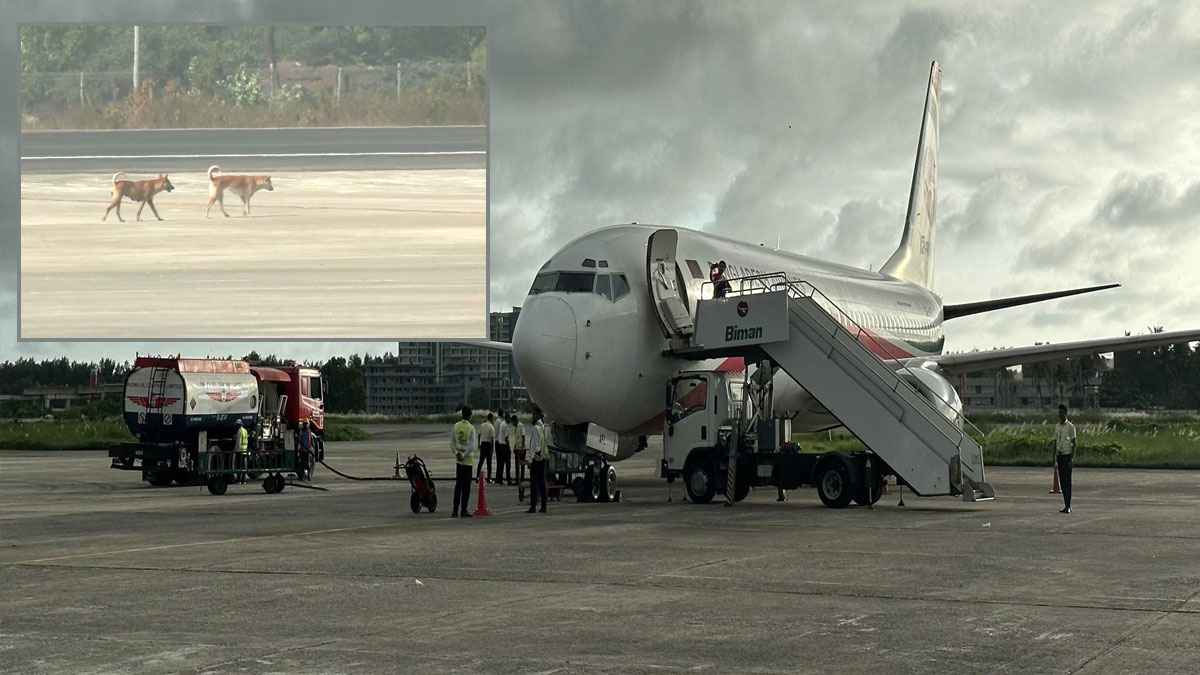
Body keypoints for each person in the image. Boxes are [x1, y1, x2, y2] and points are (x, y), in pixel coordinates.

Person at [451, 406, 479, 518]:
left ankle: (454, 510)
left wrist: (457, 453)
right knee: (466, 487)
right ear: (470, 415)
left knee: (458, 485)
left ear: (461, 414)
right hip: (467, 461)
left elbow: (452, 443)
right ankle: (463, 510)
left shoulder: (456, 426)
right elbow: (472, 446)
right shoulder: (471, 428)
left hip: (458, 461)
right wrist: (464, 455)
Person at [1053, 404, 1077, 513]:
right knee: (1062, 482)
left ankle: (1068, 506)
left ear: (1065, 413)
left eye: (1062, 412)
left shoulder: (1071, 427)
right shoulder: (1057, 426)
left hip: (1067, 456)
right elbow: (1055, 442)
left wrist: (1072, 459)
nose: (1060, 414)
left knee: (1068, 482)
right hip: (1060, 456)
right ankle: (1065, 505)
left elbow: (1074, 444)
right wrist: (1054, 457)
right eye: (1059, 412)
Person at [527, 411, 548, 514]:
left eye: (534, 414)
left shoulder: (536, 428)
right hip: (542, 458)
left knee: (534, 484)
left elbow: (535, 446)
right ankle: (544, 506)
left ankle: (533, 506)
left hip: (536, 459)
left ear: (538, 415)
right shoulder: (543, 427)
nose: (532, 416)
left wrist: (530, 460)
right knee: (542, 483)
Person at [477, 412, 496, 483]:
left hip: (482, 444)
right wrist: (492, 448)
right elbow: (492, 439)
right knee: (489, 463)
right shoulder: (491, 427)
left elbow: (479, 435)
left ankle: (477, 477)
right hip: (488, 445)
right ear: (491, 418)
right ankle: (489, 479)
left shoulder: (482, 425)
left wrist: (478, 444)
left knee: (480, 462)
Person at [495, 410, 511, 486]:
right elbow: (507, 438)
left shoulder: (502, 423)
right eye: (509, 418)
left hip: (500, 445)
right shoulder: (506, 425)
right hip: (504, 446)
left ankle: (500, 479)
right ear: (507, 418)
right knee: (508, 463)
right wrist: (509, 448)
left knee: (501, 464)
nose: (510, 420)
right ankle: (508, 479)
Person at [511, 414, 527, 486]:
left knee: (522, 465)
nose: (512, 424)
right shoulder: (515, 427)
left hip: (521, 448)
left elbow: (523, 437)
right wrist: (514, 446)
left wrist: (523, 448)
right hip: (517, 448)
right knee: (517, 465)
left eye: (513, 422)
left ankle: (522, 480)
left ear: (515, 420)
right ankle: (518, 480)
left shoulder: (521, 425)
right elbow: (516, 438)